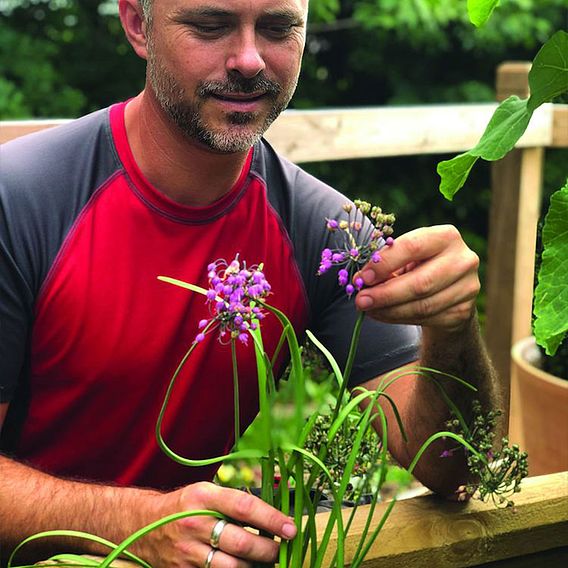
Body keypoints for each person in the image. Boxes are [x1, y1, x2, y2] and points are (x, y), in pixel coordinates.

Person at [0, 0, 503, 566]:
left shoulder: (325, 234)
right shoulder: (22, 200)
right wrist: (133, 523)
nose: (247, 59)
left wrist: (451, 328)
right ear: (139, 25)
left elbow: (453, 466)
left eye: (277, 27)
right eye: (210, 26)